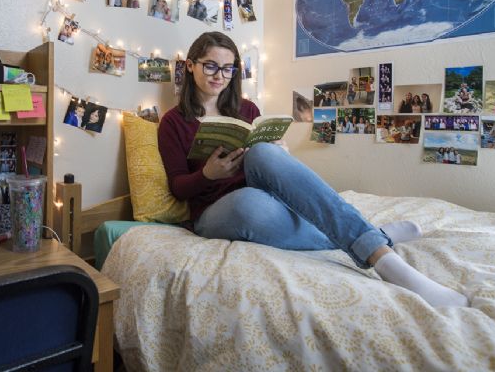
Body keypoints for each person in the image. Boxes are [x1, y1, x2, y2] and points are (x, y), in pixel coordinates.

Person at [157, 32, 468, 308]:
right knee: (246, 204)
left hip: (260, 192)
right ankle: (378, 236)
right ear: (191, 66)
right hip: (214, 211)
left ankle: (383, 259)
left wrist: (278, 153)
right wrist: (208, 174)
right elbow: (178, 187)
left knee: (265, 151)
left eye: (227, 68)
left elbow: (261, 153)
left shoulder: (247, 109)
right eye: (210, 65)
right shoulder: (172, 122)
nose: (219, 75)